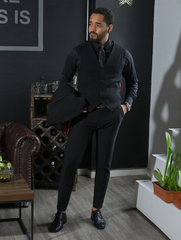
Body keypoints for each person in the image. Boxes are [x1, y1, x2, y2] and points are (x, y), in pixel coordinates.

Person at [47, 7, 138, 232]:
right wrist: (75, 105)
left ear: (109, 27)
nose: (92, 29)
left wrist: (126, 106)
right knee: (70, 163)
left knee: (103, 166)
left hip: (111, 116)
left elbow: (133, 82)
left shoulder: (124, 54)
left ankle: (96, 210)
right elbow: (64, 81)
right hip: (83, 117)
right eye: (90, 24)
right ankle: (61, 213)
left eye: (97, 25)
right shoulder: (77, 52)